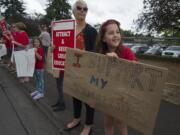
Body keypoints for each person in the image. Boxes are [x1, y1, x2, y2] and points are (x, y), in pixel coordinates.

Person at [95, 19, 136, 135]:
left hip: (122, 95)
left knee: (120, 122)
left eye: (117, 32)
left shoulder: (127, 51)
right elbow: (94, 75)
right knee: (108, 121)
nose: (115, 35)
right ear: (103, 38)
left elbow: (136, 69)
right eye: (111, 33)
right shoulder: (100, 55)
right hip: (107, 94)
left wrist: (120, 62)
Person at [63, 0, 97, 135]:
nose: (82, 11)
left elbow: (97, 53)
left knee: (88, 99)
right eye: (79, 8)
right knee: (75, 95)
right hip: (72, 70)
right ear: (73, 11)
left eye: (85, 9)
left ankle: (88, 125)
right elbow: (62, 48)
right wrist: (55, 49)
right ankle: (76, 119)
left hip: (87, 72)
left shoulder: (91, 31)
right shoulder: (68, 30)